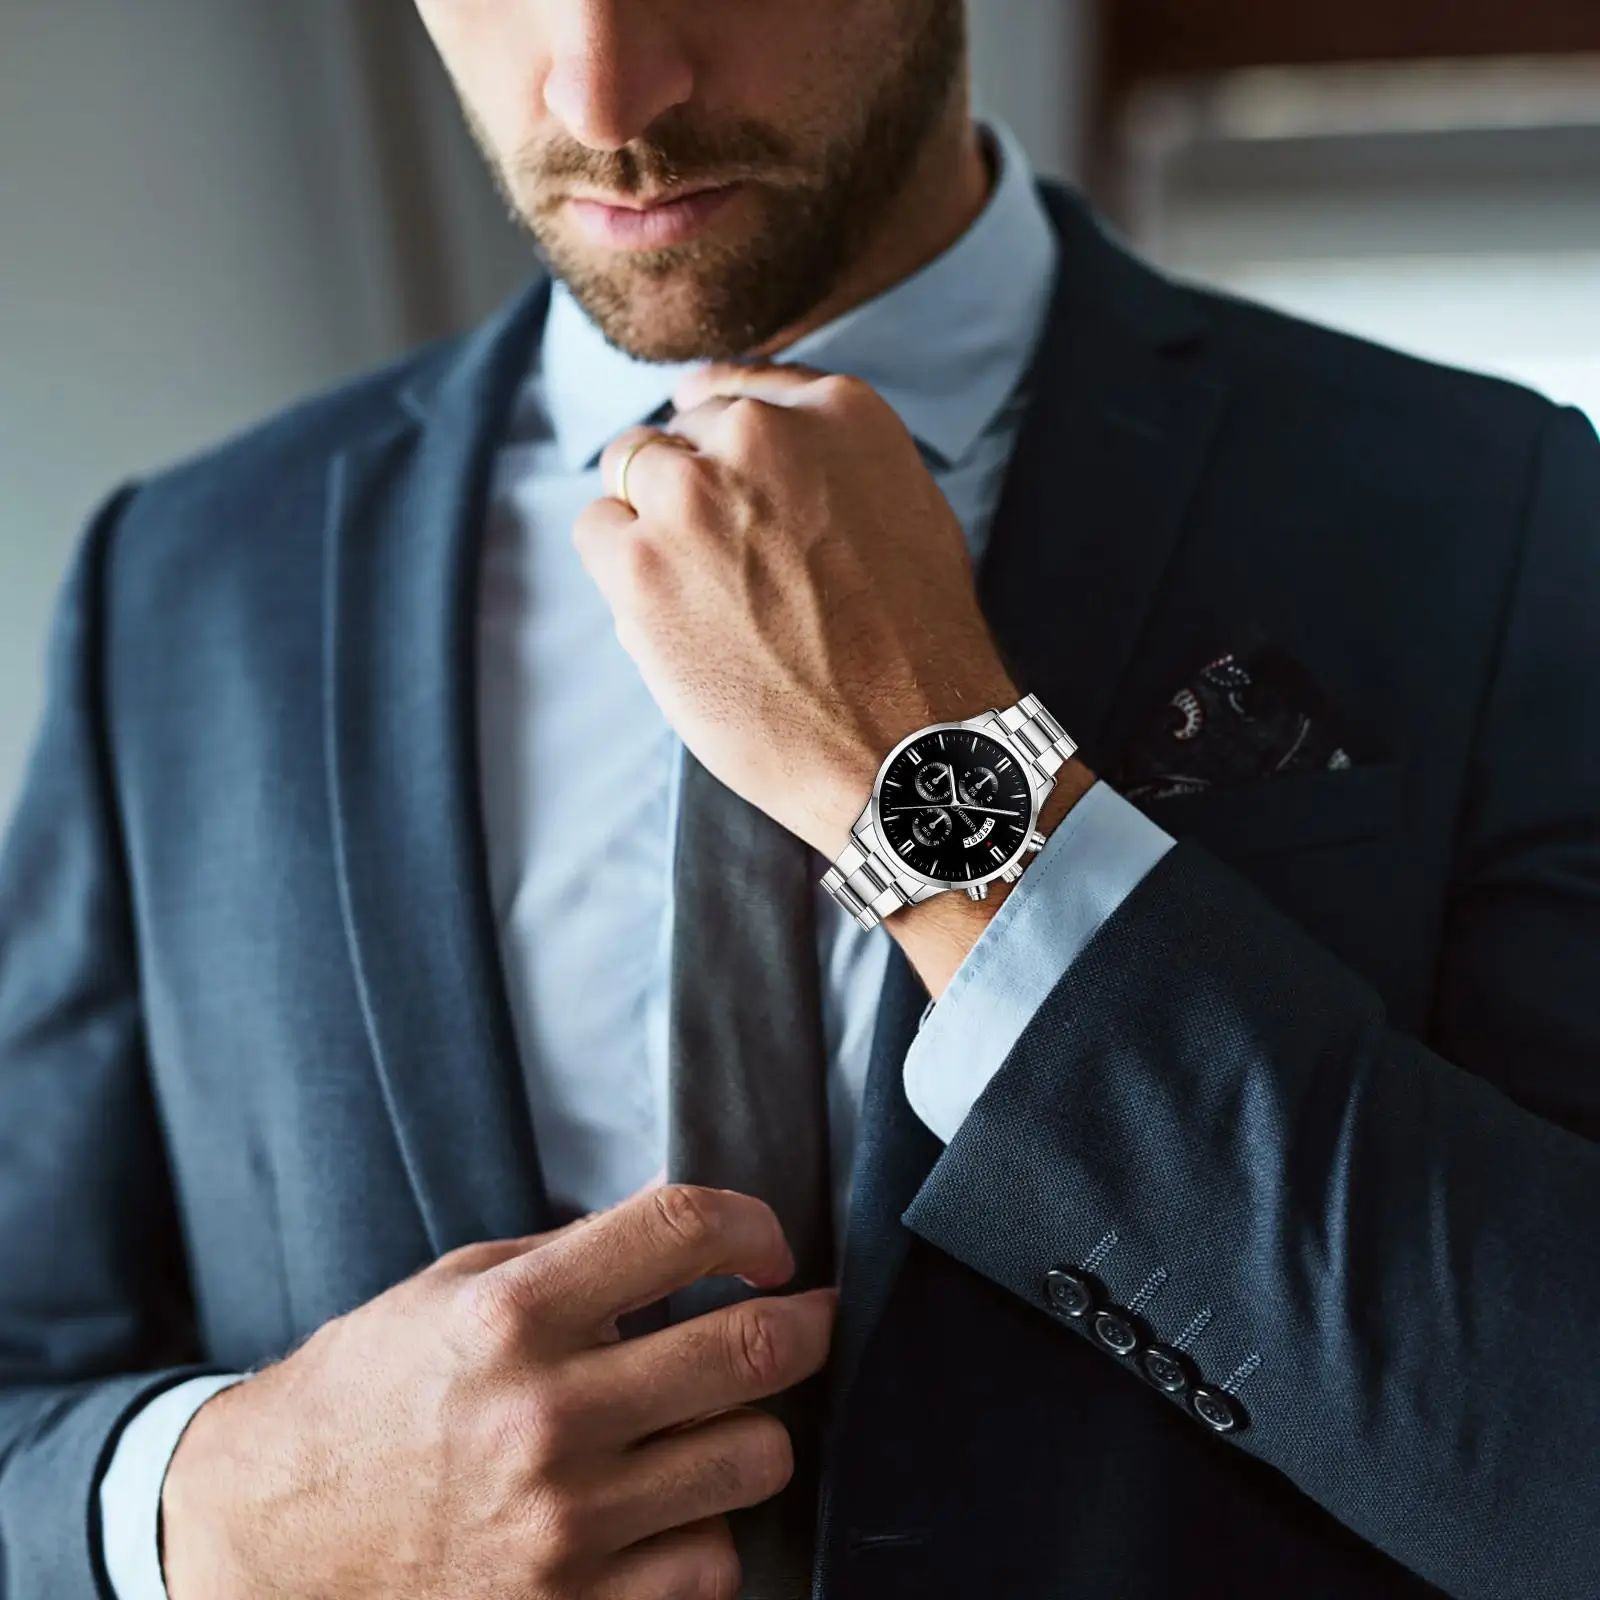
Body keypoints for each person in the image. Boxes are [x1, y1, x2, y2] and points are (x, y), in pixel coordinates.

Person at [1, 1, 1597, 1596]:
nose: (602, 92)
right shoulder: (185, 582)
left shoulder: (1500, 512)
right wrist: (211, 1509)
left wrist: (942, 790)